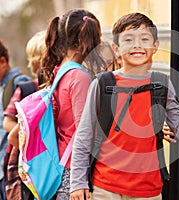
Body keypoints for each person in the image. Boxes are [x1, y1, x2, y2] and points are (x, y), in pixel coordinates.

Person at [70, 12, 179, 200]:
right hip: (105, 187)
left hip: (148, 190)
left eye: (144, 39)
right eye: (128, 39)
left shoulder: (163, 84)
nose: (137, 45)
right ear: (116, 48)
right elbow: (83, 136)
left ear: (155, 46)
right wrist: (78, 183)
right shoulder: (102, 83)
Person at [41, 9, 102, 199]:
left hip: (61, 162)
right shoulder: (79, 76)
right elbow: (84, 132)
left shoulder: (61, 70)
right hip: (73, 171)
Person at [0, 39, 31, 200]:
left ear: (3, 61)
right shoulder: (3, 88)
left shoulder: (20, 83)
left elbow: (27, 126)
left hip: (12, 169)